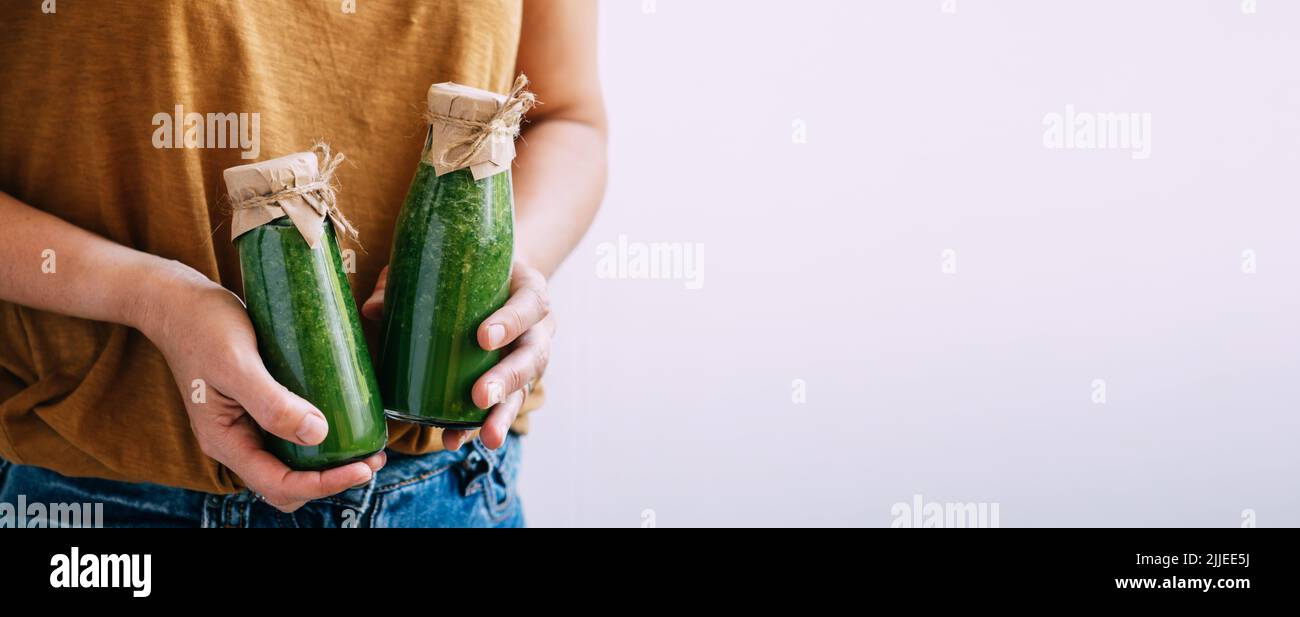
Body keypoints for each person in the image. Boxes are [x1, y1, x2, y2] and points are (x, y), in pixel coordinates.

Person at [0, 0, 606, 527]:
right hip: (102, 490)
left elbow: (567, 117)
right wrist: (152, 297)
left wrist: (509, 260)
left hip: (444, 483)